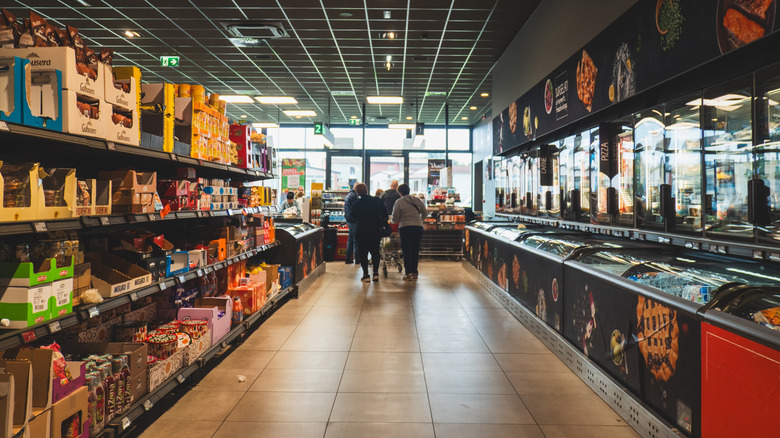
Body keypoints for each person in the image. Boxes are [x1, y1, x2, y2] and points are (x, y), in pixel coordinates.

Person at [351, 183, 388, 282]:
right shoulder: (376, 200)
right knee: (375, 252)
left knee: (363, 253)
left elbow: (352, 216)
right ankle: (376, 273)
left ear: (357, 192)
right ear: (367, 190)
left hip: (361, 230)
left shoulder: (356, 203)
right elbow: (385, 213)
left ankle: (366, 275)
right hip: (375, 230)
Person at [391, 183, 427, 281]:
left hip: (405, 227)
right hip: (418, 227)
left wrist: (392, 221)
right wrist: (420, 220)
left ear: (400, 192)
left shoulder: (399, 202)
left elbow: (395, 218)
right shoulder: (417, 200)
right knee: (415, 249)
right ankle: (415, 272)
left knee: (407, 250)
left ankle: (409, 273)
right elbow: (425, 212)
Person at [344, 185, 360, 264]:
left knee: (350, 240)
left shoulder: (349, 195)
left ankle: (348, 258)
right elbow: (355, 209)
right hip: (353, 220)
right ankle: (357, 259)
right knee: (356, 240)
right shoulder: (353, 197)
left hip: (349, 220)